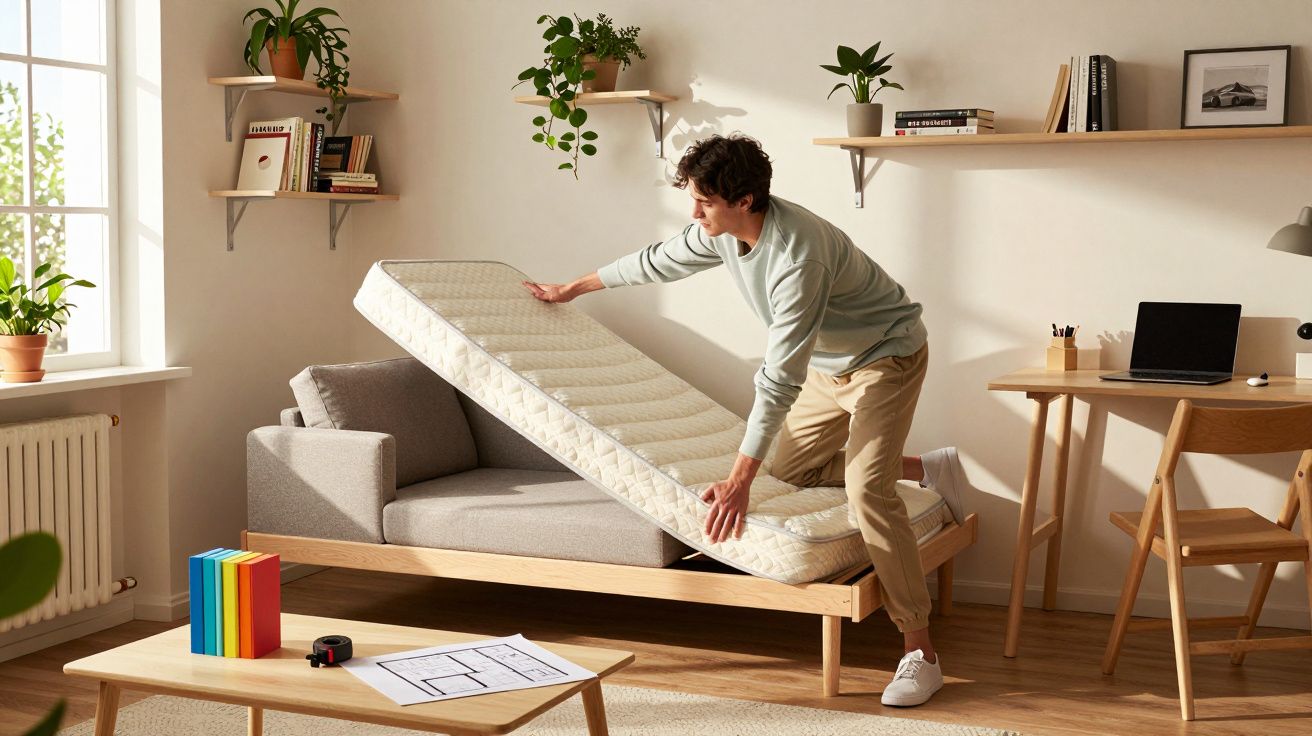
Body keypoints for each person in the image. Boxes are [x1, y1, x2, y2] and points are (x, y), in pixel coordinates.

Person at [522, 133, 967, 707]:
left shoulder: (797, 259)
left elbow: (779, 377)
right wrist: (572, 288)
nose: (694, 210)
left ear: (746, 200)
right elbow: (659, 260)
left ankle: (920, 652)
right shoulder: (727, 233)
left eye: (705, 201)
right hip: (831, 367)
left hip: (886, 356)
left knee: (868, 493)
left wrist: (737, 482)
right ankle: (925, 468)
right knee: (791, 466)